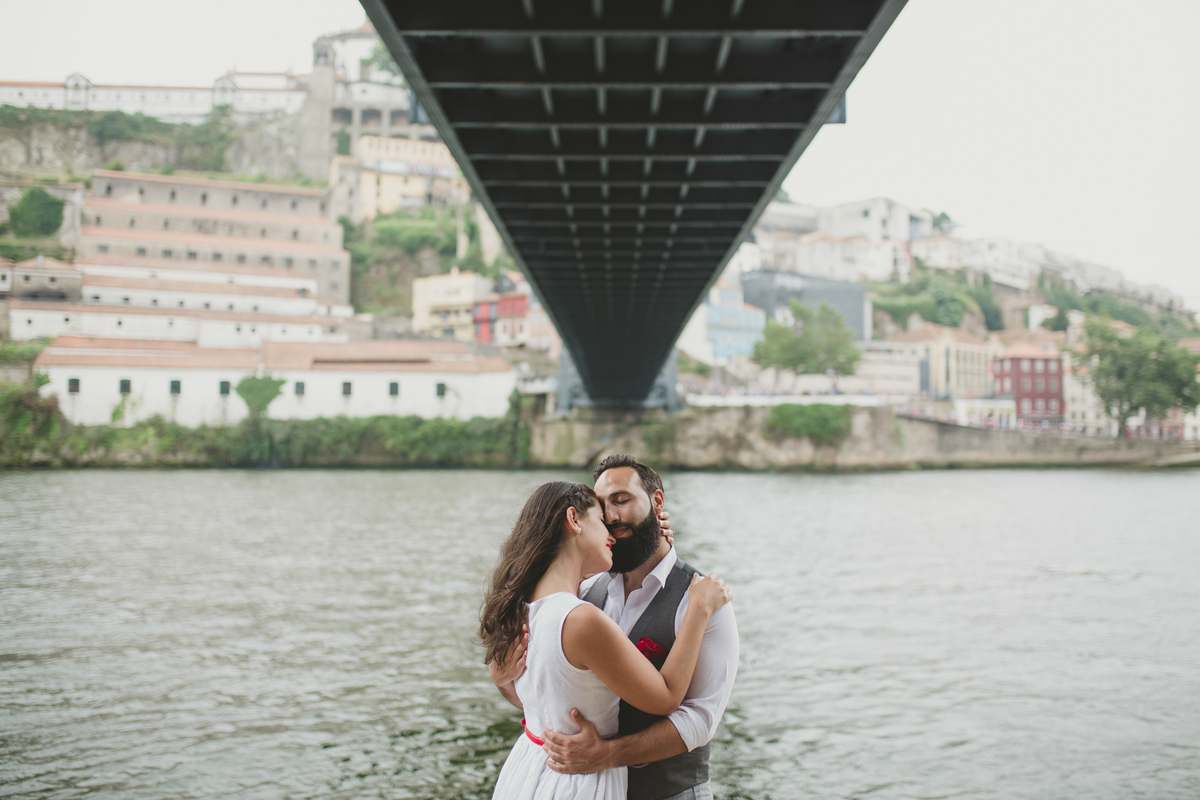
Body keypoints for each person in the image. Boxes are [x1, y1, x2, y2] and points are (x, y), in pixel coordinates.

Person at [491, 456, 740, 800]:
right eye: (602, 506)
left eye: (621, 500)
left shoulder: (702, 600)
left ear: (656, 503)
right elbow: (558, 690)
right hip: (583, 787)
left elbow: (701, 720)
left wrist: (607, 755)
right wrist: (505, 682)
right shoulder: (580, 591)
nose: (610, 516)